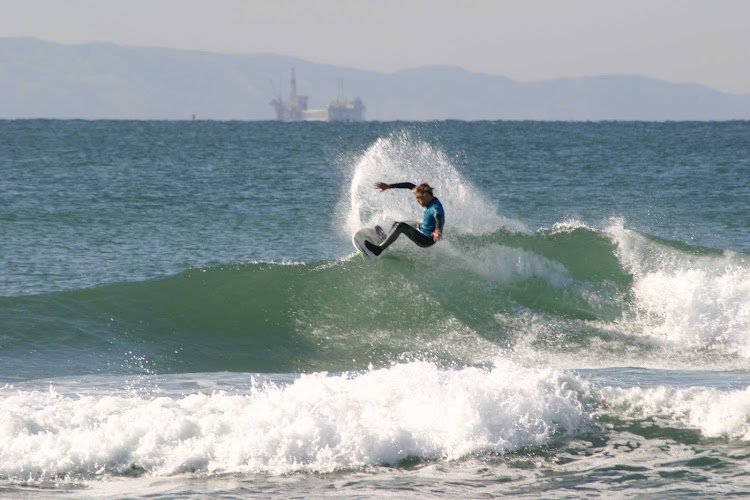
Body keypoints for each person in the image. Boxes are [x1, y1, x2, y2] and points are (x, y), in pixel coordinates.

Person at [364, 182, 445, 256]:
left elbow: (439, 218)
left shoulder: (435, 208)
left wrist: (438, 230)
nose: (417, 201)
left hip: (425, 239)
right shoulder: (426, 197)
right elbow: (409, 185)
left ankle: (379, 249)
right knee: (396, 224)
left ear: (426, 195)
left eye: (418, 198)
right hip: (422, 227)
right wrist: (389, 186)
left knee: (400, 226)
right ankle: (386, 240)